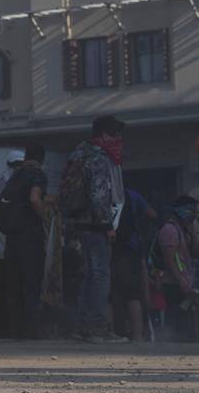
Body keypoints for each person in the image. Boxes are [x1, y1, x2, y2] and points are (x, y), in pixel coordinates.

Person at [60, 115, 127, 343]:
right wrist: (108, 225)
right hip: (95, 224)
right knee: (100, 275)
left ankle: (83, 326)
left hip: (79, 222)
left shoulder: (78, 153)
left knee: (89, 275)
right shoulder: (98, 157)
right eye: (115, 134)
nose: (118, 139)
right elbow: (98, 196)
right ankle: (98, 327)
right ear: (104, 135)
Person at [0, 143, 48, 339]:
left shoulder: (14, 176)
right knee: (32, 284)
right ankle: (32, 330)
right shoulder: (38, 175)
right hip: (31, 237)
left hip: (12, 238)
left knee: (14, 286)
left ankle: (15, 329)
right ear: (42, 159)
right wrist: (46, 218)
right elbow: (35, 199)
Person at [0, 149, 24, 336]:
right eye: (14, 165)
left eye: (19, 165)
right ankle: (2, 324)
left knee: (16, 284)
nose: (17, 168)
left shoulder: (26, 185)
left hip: (18, 239)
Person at [111, 189, 156, 340]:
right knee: (132, 294)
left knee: (112, 292)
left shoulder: (101, 191)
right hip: (130, 247)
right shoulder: (131, 195)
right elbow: (152, 214)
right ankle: (137, 336)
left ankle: (116, 332)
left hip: (108, 246)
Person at [152, 195, 198, 341]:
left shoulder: (184, 230)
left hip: (183, 283)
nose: (194, 215)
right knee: (177, 320)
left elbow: (195, 253)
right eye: (192, 211)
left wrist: (193, 233)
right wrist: (182, 282)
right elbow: (170, 261)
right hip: (173, 284)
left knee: (187, 323)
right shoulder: (170, 230)